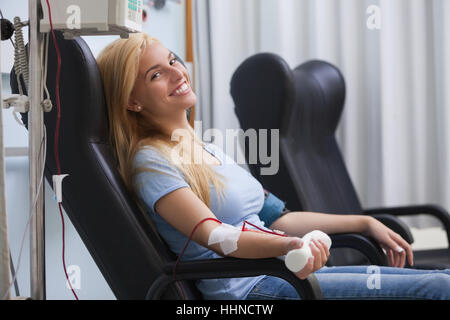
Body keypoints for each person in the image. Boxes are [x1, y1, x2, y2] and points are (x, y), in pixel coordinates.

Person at [96, 33, 450, 300]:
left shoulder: (210, 149)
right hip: (253, 291)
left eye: (173, 61)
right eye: (156, 75)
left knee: (443, 281)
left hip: (282, 275)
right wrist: (288, 246)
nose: (177, 74)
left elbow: (278, 218)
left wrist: (365, 223)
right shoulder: (152, 163)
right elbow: (218, 237)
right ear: (132, 101)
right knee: (436, 289)